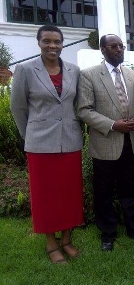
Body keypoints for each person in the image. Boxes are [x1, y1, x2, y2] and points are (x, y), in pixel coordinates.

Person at [10, 25, 83, 264]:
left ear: (62, 44)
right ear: (39, 42)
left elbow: (76, 105)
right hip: (40, 145)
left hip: (70, 142)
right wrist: (30, 134)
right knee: (46, 196)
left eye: (57, 42)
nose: (52, 46)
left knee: (68, 194)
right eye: (47, 41)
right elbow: (18, 108)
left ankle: (67, 239)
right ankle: (51, 243)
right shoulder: (25, 70)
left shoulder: (73, 70)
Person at [77, 34, 134, 251]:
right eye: (113, 46)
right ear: (103, 49)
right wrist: (112, 125)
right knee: (104, 193)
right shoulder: (89, 75)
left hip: (132, 144)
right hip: (105, 144)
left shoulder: (133, 76)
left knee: (131, 191)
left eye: (121, 46)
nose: (119, 49)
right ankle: (107, 234)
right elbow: (84, 110)